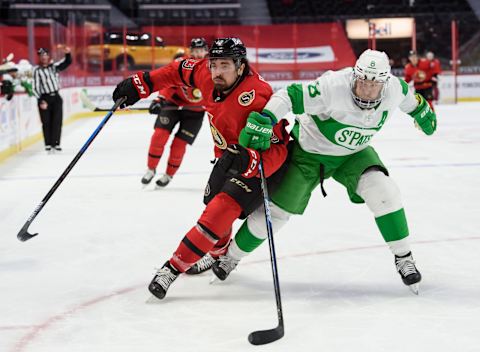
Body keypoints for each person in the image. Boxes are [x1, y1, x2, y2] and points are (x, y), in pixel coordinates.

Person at [211, 49, 437, 295]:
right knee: (275, 214)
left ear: (385, 82)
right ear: (354, 76)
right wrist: (266, 117)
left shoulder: (395, 89)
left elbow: (412, 102)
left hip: (353, 154)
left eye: (374, 85)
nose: (367, 90)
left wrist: (422, 113)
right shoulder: (332, 86)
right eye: (362, 82)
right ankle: (231, 256)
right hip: (308, 154)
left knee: (384, 191)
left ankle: (404, 257)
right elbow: (289, 95)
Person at [112, 38, 290, 299]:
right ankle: (219, 256)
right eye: (214, 64)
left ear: (240, 67)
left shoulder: (259, 96)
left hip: (256, 165)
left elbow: (279, 147)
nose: (216, 71)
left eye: (225, 65)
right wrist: (142, 84)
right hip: (226, 157)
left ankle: (171, 269)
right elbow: (177, 70)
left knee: (219, 210)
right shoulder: (206, 73)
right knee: (212, 204)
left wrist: (253, 161)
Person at [141, 38, 209, 188]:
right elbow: (168, 82)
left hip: (195, 112)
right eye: (195, 50)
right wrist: (160, 99)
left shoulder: (213, 68)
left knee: (179, 144)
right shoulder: (182, 64)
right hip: (175, 104)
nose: (198, 53)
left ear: (206, 51)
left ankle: (168, 175)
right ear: (191, 51)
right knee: (159, 135)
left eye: (201, 50)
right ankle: (151, 169)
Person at [33, 47, 72, 152]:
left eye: (46, 55)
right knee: (46, 122)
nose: (44, 57)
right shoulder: (37, 71)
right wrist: (41, 100)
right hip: (44, 98)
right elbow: (35, 88)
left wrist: (68, 54)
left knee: (57, 121)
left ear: (48, 56)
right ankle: (48, 144)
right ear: (40, 57)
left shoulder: (53, 67)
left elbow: (66, 63)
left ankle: (56, 143)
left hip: (56, 97)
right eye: (42, 56)